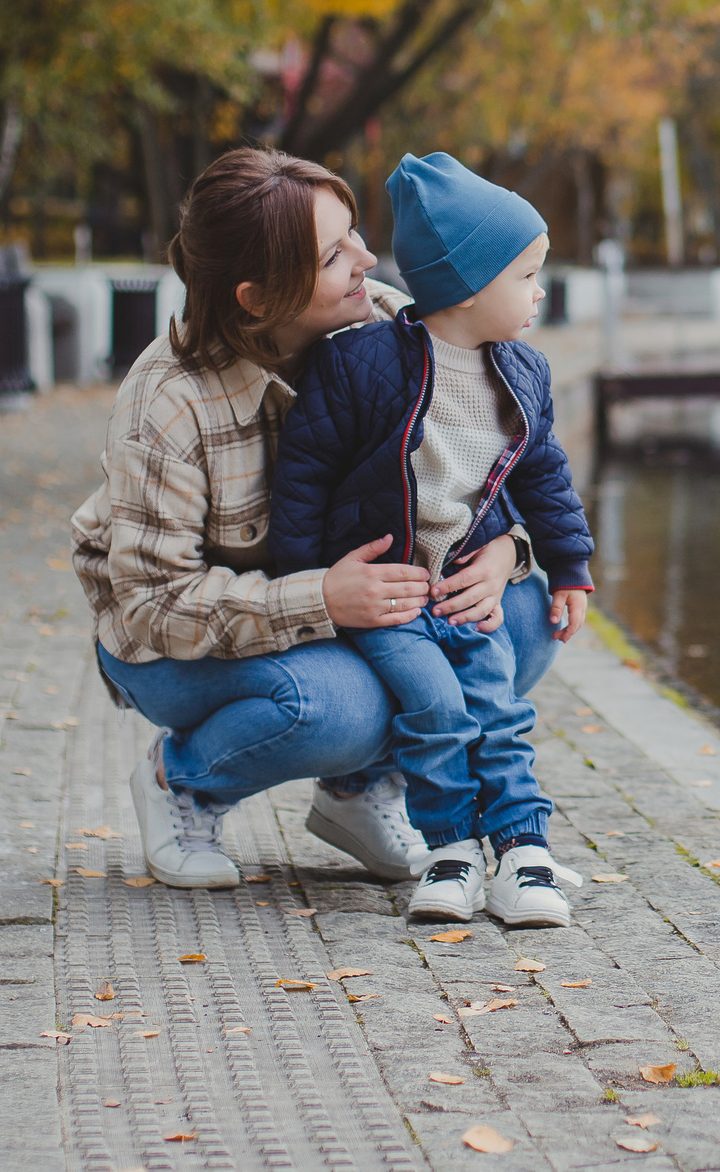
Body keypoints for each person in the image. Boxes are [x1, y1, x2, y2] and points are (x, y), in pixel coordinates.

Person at [69, 148, 581, 889]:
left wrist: (505, 549)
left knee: (521, 620)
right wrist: (323, 598)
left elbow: (491, 454)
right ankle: (180, 781)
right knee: (343, 705)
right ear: (257, 295)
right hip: (176, 648)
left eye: (356, 237)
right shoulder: (167, 403)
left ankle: (358, 793)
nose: (369, 260)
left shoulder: (380, 323)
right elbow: (154, 607)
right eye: (335, 253)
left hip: (354, 607)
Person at [269, 153, 595, 927]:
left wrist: (568, 564)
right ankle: (449, 849)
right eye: (527, 275)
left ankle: (522, 848)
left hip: (460, 587)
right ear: (470, 284)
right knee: (439, 707)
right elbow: (305, 474)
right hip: (388, 596)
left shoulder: (524, 374)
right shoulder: (360, 364)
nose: (540, 291)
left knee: (499, 706)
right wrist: (309, 581)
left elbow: (545, 476)